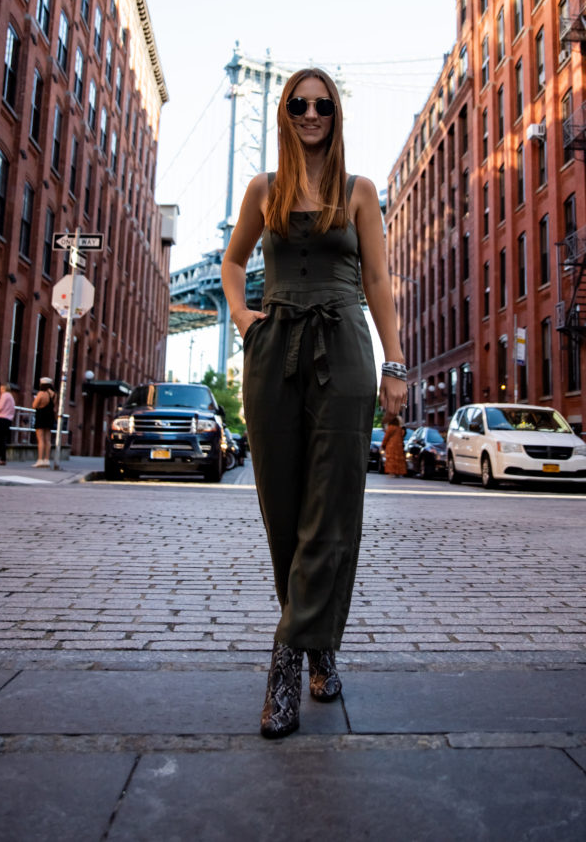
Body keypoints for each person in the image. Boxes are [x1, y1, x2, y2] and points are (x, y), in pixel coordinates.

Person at [222, 67, 407, 739]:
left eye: (321, 104)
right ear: (283, 113)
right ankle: (319, 648)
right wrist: (245, 319)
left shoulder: (359, 192)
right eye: (298, 104)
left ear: (335, 114)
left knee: (330, 512)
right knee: (283, 512)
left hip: (345, 350)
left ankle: (282, 668)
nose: (309, 113)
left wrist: (394, 363)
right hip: (274, 352)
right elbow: (234, 261)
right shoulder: (262, 190)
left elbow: (379, 280)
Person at [32, 378, 57, 467]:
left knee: (41, 439)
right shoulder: (53, 394)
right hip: (50, 417)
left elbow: (34, 405)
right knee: (48, 440)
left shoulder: (41, 394)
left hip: (41, 416)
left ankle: (40, 460)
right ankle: (47, 460)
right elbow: (53, 405)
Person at [0, 384, 16, 466]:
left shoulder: (4, 395)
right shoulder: (11, 396)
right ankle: (2, 458)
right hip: (8, 419)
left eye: (1, 388)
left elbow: (0, 407)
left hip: (2, 418)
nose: (0, 390)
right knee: (3, 440)